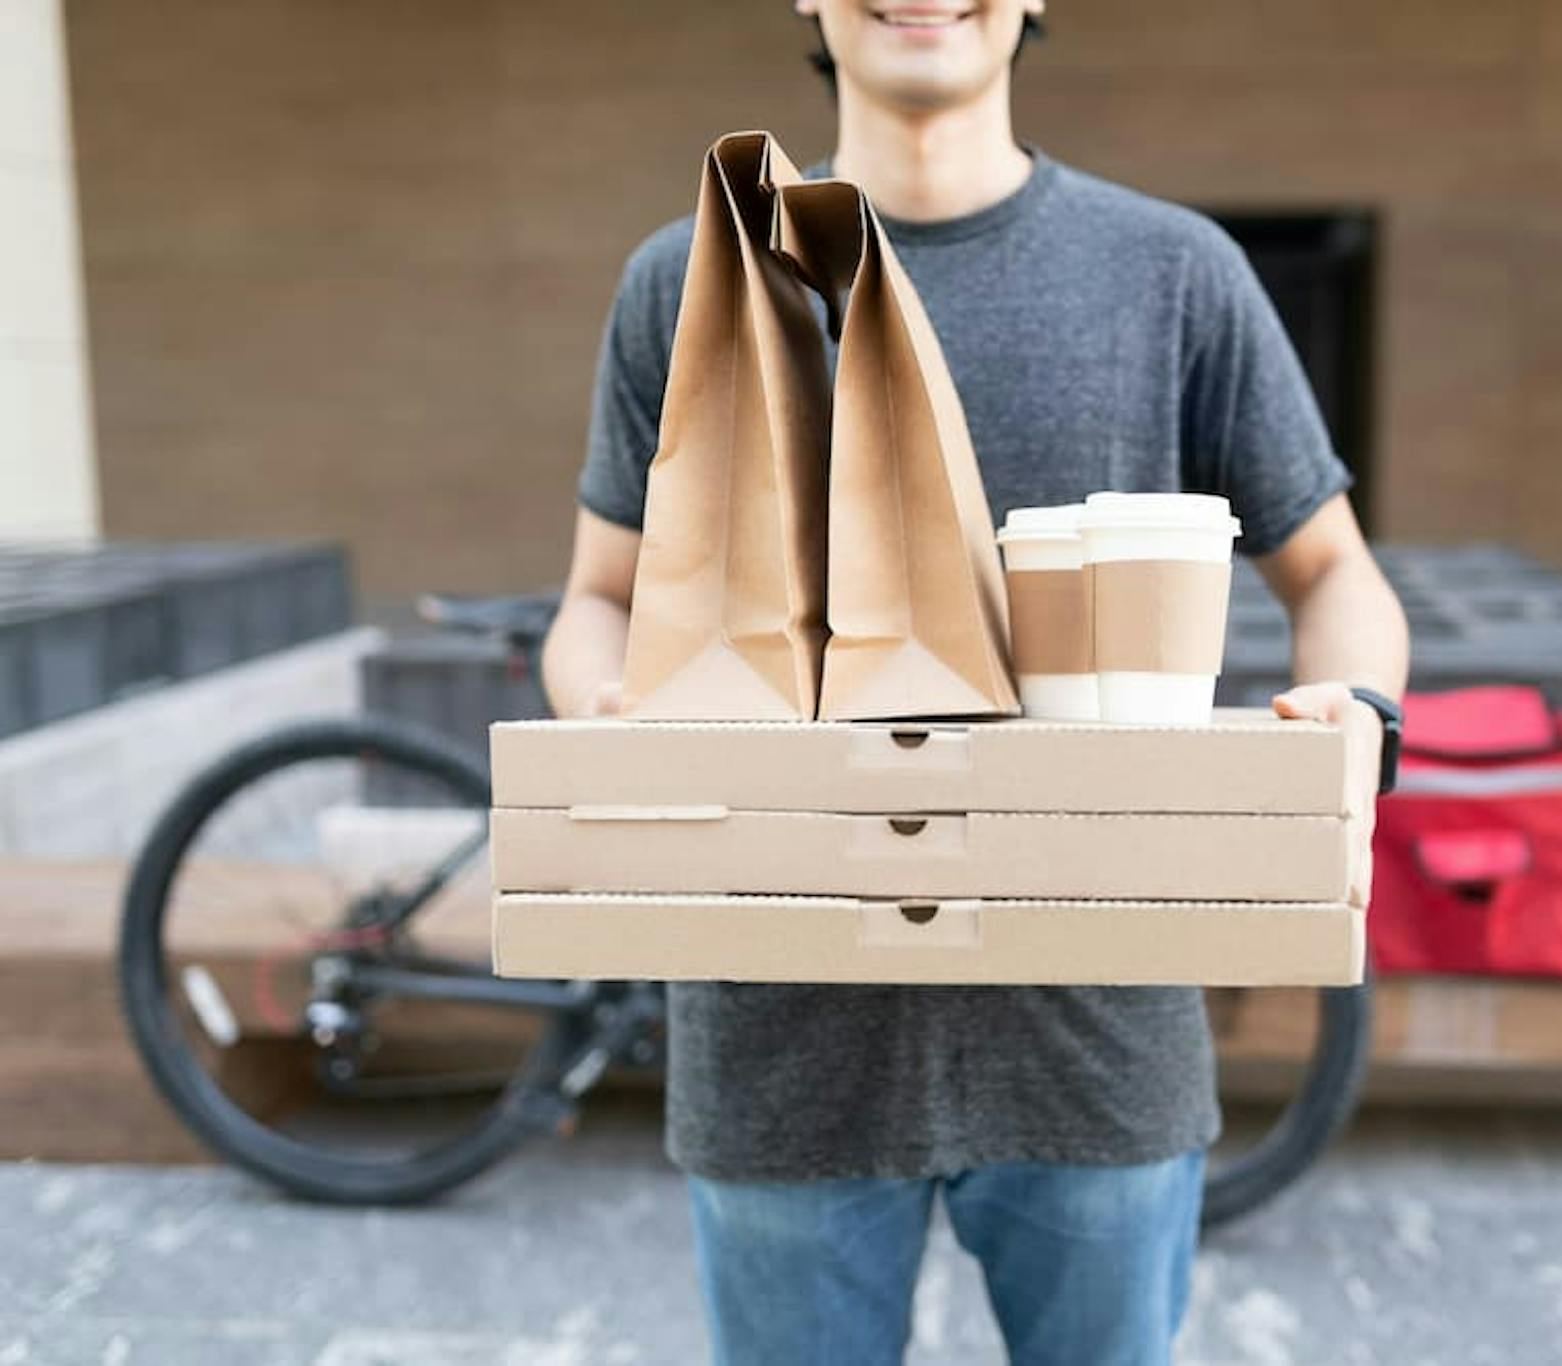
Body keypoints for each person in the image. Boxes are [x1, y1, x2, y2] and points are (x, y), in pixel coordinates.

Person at [542, 2, 1411, 1360]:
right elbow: (596, 599)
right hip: (777, 1040)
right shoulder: (693, 279)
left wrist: (1355, 712)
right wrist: (610, 714)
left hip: (1101, 1033)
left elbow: (1334, 573)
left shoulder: (1173, 272)